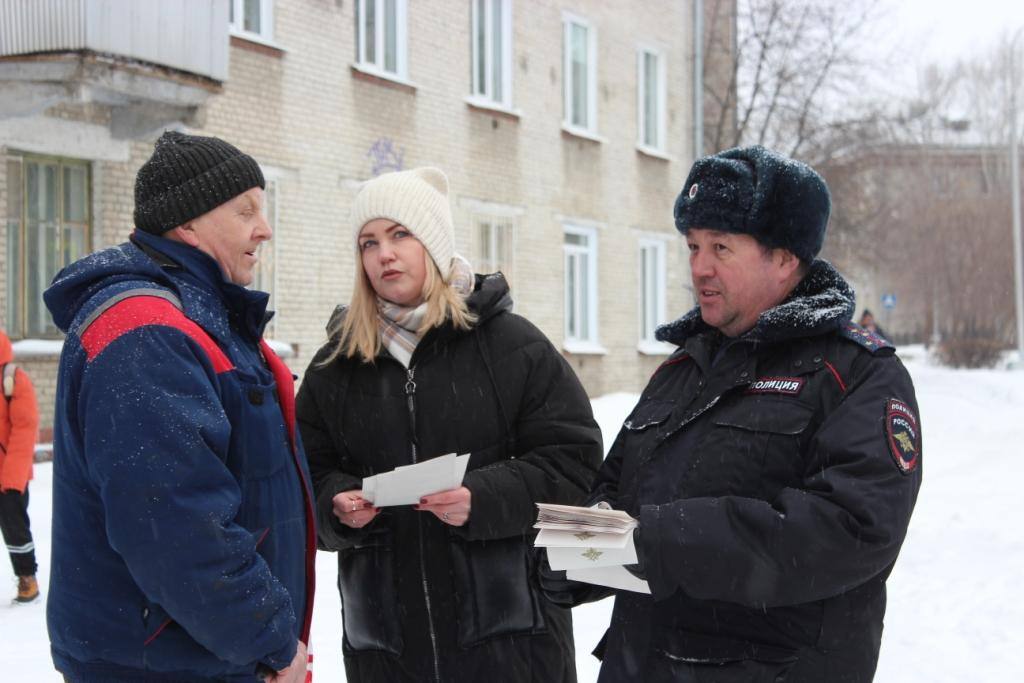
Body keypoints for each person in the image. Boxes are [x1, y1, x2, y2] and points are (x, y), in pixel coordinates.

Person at [544, 145, 922, 682]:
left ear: (785, 258)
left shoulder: (856, 373)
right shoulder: (683, 366)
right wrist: (572, 558)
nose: (699, 267)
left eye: (721, 247)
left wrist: (659, 541)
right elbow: (619, 496)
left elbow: (846, 531)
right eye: (693, 246)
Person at [296, 167, 603, 682]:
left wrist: (483, 498)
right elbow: (305, 477)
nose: (384, 254)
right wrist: (336, 505)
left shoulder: (512, 346)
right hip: (388, 653)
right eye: (368, 242)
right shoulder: (337, 366)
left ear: (434, 246)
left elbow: (574, 464)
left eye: (400, 235)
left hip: (512, 645)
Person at [42, 131, 315, 683]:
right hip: (165, 664)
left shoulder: (198, 319)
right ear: (188, 224)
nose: (264, 229)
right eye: (246, 212)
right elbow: (177, 530)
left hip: (201, 654)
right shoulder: (145, 334)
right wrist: (271, 640)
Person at [0, 329, 41, 604]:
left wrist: (12, 478)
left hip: (8, 473)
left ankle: (27, 578)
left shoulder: (12, 379)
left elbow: (25, 430)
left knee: (15, 527)